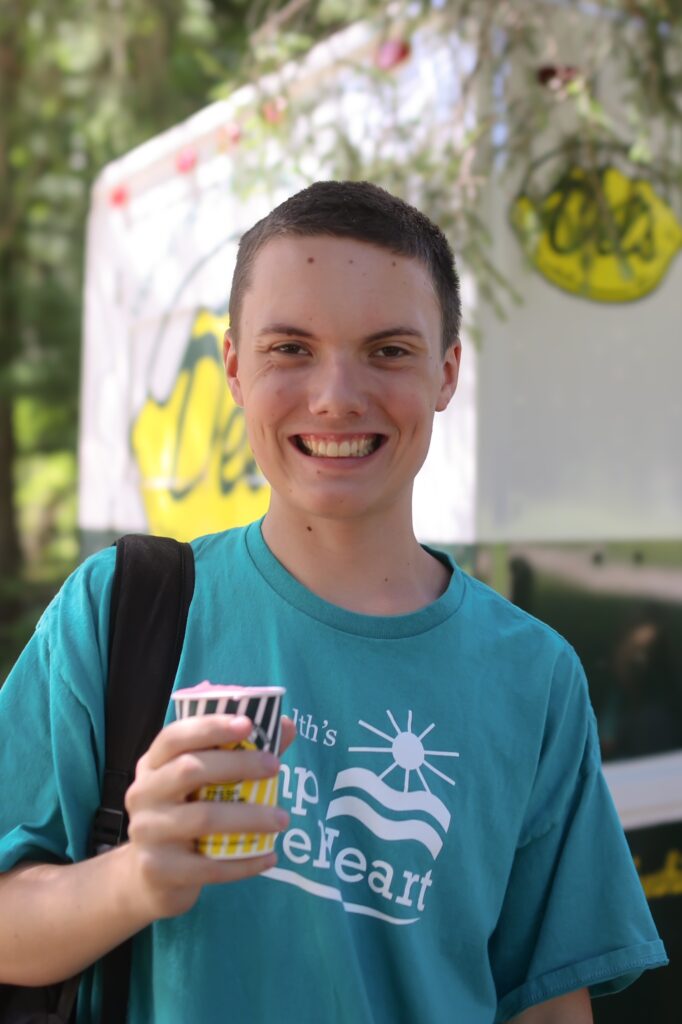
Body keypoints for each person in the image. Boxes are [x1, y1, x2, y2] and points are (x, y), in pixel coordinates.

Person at [0, 181, 667, 1023]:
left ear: (446, 372)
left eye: (389, 350)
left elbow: (547, 1001)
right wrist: (132, 878)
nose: (336, 397)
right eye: (290, 348)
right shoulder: (119, 608)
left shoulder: (535, 677)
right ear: (235, 367)